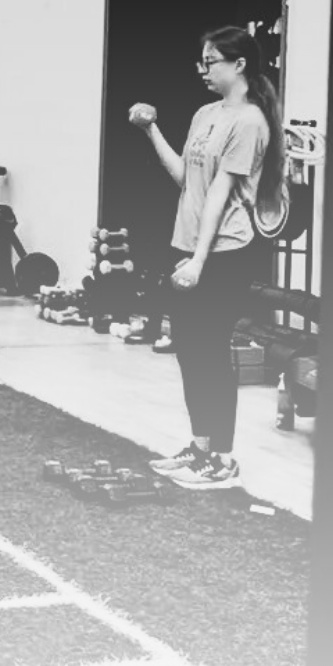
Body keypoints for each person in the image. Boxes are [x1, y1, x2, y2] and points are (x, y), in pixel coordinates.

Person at [129, 25, 284, 489]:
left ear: (239, 65)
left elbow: (220, 191)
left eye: (212, 60)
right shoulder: (205, 114)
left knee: (211, 352)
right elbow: (186, 177)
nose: (204, 68)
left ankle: (222, 459)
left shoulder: (251, 120)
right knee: (189, 351)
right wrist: (151, 130)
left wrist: (199, 260)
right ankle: (199, 447)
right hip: (191, 246)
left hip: (224, 253)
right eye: (203, 59)